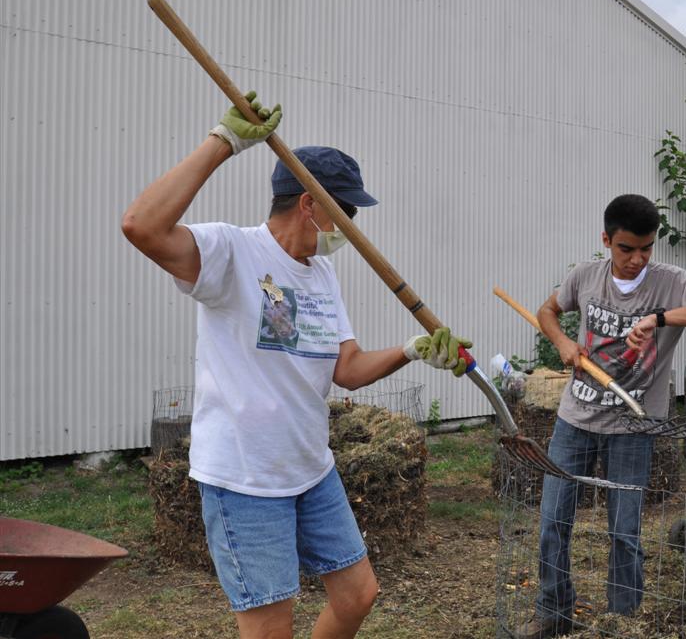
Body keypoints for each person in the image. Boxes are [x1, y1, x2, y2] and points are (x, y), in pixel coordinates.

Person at [121, 93, 471, 639]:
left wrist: (410, 351)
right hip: (246, 477)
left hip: (311, 468)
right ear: (310, 204)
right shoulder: (231, 253)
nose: (351, 226)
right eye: (346, 211)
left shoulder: (321, 274)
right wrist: (224, 143)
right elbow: (142, 226)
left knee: (358, 595)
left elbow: (346, 368)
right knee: (268, 629)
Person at [512, 194, 686, 639]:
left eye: (646, 249)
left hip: (633, 427)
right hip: (574, 420)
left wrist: (659, 318)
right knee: (553, 521)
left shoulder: (671, 282)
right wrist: (562, 343)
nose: (637, 259)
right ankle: (554, 611)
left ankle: (621, 621)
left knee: (624, 531)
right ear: (606, 240)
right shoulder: (586, 276)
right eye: (626, 249)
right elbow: (547, 311)